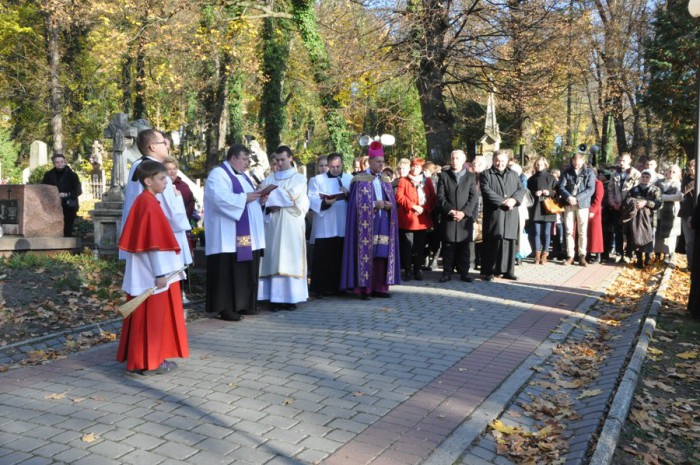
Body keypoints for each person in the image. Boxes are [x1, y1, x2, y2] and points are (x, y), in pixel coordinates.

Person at [117, 160, 189, 375]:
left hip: (146, 271)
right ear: (148, 181)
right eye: (161, 178)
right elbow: (153, 245)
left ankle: (142, 359)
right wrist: (160, 274)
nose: (166, 182)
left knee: (144, 317)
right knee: (152, 318)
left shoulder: (146, 201)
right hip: (152, 273)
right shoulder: (148, 204)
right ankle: (150, 362)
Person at [204, 144, 266, 321]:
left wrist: (260, 198)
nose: (247, 163)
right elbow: (219, 198)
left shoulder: (244, 176)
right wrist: (245, 198)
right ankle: (226, 308)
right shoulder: (218, 174)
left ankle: (244, 304)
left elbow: (249, 200)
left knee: (244, 270)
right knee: (227, 272)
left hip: (246, 235)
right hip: (227, 236)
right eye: (244, 159)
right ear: (233, 158)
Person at [120, 129, 192, 272]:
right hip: (160, 240)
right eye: (163, 143)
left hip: (143, 236)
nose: (167, 146)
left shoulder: (138, 165)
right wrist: (178, 198)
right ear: (153, 146)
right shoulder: (156, 171)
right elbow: (170, 214)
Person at [340, 140, 401, 299]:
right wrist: (374, 204)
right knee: (368, 255)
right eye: (378, 162)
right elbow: (354, 205)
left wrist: (389, 205)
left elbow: (393, 202)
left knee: (382, 255)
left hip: (384, 222)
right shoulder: (359, 180)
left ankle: (380, 288)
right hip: (366, 224)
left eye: (383, 162)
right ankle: (365, 289)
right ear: (370, 162)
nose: (381, 165)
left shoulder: (385, 180)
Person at [258, 146, 310, 311]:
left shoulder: (299, 179)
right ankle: (274, 298)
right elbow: (261, 197)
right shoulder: (270, 178)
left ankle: (291, 298)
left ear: (291, 159)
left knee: (289, 258)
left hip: (291, 224)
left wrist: (270, 197)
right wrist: (267, 204)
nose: (279, 163)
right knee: (273, 258)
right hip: (272, 224)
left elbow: (290, 197)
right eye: (277, 160)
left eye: (283, 159)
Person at [307, 153, 352, 296]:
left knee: (340, 256)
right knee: (323, 256)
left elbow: (357, 200)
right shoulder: (317, 180)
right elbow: (311, 197)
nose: (335, 169)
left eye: (338, 166)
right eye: (332, 166)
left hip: (343, 222)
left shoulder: (349, 179)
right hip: (325, 223)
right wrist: (324, 202)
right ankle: (320, 288)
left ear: (342, 164)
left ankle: (340, 287)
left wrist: (348, 195)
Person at [479, 150, 527, 281]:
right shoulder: (485, 174)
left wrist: (514, 200)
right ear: (493, 160)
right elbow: (486, 191)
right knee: (492, 241)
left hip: (511, 212)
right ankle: (489, 271)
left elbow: (521, 189)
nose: (500, 163)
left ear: (507, 161)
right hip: (495, 212)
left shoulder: (513, 174)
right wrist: (503, 202)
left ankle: (508, 270)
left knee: (509, 241)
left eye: (503, 161)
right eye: (497, 160)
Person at [436, 150, 478, 282]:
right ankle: (447, 273)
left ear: (464, 160)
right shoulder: (444, 176)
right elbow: (440, 197)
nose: (455, 161)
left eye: (458, 158)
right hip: (449, 216)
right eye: (453, 158)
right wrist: (450, 210)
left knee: (464, 247)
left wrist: (464, 212)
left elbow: (473, 197)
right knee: (448, 246)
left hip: (464, 218)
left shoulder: (471, 177)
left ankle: (464, 273)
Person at [396, 157, 436, 281]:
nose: (414, 168)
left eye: (417, 167)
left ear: (422, 168)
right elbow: (399, 197)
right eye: (413, 166)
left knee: (420, 246)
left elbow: (433, 198)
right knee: (408, 246)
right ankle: (408, 270)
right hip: (408, 218)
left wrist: (424, 208)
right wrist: (413, 206)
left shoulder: (427, 181)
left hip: (422, 219)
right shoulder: (404, 180)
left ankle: (417, 269)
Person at [558, 151, 596, 266]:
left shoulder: (589, 172)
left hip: (582, 204)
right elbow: (561, 186)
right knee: (569, 230)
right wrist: (568, 197)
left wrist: (577, 198)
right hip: (569, 203)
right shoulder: (567, 172)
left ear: (583, 161)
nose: (576, 164)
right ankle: (570, 255)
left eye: (578, 162)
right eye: (574, 162)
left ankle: (582, 255)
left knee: (582, 231)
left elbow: (590, 189)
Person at [623, 170, 662, 268]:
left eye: (647, 177)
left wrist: (646, 203)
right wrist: (633, 202)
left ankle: (648, 259)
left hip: (651, 218)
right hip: (637, 219)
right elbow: (626, 201)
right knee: (637, 237)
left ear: (651, 178)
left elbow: (659, 203)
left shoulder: (655, 189)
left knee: (650, 238)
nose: (644, 178)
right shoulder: (634, 189)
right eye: (643, 176)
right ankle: (639, 260)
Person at [608, 153, 641, 261]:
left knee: (629, 231)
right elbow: (611, 190)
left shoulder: (635, 173)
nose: (621, 163)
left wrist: (628, 204)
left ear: (629, 161)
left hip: (629, 207)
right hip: (616, 206)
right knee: (617, 231)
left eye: (624, 161)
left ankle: (628, 254)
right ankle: (619, 253)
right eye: (620, 160)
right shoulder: (615, 174)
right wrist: (613, 203)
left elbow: (637, 191)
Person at [42, 153, 82, 237]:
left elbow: (78, 190)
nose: (59, 164)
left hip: (69, 204)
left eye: (61, 162)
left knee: (67, 227)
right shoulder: (48, 175)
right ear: (54, 163)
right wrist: (55, 194)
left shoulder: (72, 175)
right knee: (53, 228)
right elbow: (43, 189)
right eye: (57, 162)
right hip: (53, 205)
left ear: (65, 162)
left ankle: (67, 246)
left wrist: (67, 194)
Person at [527, 156, 558, 264]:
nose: (539, 166)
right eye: (537, 164)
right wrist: (535, 193)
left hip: (548, 208)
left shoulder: (551, 178)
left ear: (545, 165)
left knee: (546, 232)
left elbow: (556, 193)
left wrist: (548, 192)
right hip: (536, 208)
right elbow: (527, 193)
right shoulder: (531, 179)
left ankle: (545, 253)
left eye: (541, 164)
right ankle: (537, 253)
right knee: (536, 232)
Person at [654, 164, 683, 263]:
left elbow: (678, 197)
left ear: (678, 174)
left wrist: (663, 197)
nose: (670, 173)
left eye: (674, 172)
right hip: (659, 211)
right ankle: (657, 254)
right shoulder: (658, 182)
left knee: (670, 234)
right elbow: (653, 193)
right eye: (669, 171)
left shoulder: (678, 184)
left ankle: (668, 255)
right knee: (658, 232)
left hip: (672, 212)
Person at [163, 156, 195, 224]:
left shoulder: (184, 186)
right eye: (169, 169)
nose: (172, 171)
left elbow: (190, 203)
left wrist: (182, 218)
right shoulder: (160, 186)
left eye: (174, 168)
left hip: (181, 223)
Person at [679, 160, 696, 271]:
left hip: (696, 211)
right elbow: (683, 191)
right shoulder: (687, 178)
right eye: (690, 167)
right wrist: (695, 179)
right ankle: (690, 265)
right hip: (687, 213)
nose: (692, 169)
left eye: (695, 167)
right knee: (689, 240)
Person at [587, 167, 606, 263]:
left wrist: (592, 210)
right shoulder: (585, 183)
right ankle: (587, 254)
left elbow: (598, 198)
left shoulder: (598, 183)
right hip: (584, 209)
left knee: (596, 234)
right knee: (586, 233)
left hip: (595, 211)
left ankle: (598, 255)